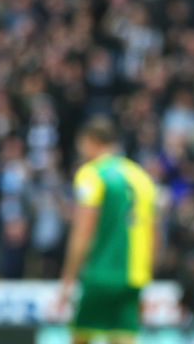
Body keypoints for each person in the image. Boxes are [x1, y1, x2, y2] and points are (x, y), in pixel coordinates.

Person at [55, 117, 157, 344]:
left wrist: (67, 280)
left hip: (101, 273)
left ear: (90, 141)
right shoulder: (141, 178)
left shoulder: (91, 175)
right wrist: (146, 278)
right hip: (134, 277)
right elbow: (153, 234)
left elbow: (82, 231)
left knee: (80, 337)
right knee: (123, 338)